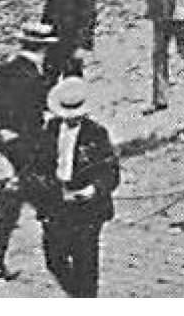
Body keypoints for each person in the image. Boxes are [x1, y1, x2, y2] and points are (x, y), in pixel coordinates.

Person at [31, 78, 120, 298]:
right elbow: (36, 168)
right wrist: (50, 191)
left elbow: (111, 173)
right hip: (57, 204)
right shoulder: (50, 131)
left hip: (87, 210)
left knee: (86, 266)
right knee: (54, 259)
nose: (72, 119)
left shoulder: (96, 134)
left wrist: (93, 190)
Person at [0, 22, 59, 278]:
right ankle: (56, 252)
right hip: (26, 144)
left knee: (18, 195)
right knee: (40, 194)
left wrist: (1, 129)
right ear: (44, 48)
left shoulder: (9, 67)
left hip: (11, 142)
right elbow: (34, 114)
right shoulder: (32, 76)